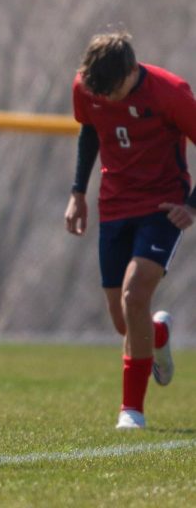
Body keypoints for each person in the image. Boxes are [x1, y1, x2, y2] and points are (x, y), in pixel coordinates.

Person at [64, 31, 196, 430]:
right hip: (115, 204)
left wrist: (191, 206)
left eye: (113, 92)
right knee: (125, 321)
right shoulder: (87, 86)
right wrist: (77, 193)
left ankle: (131, 410)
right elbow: (89, 131)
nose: (105, 99)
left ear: (132, 70)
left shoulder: (171, 93)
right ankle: (157, 334)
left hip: (162, 206)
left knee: (134, 295)